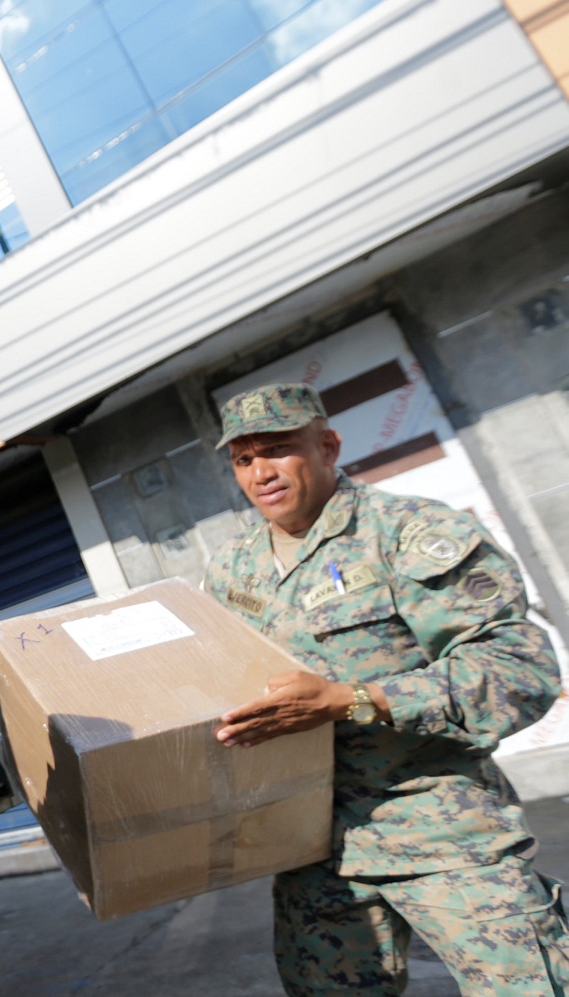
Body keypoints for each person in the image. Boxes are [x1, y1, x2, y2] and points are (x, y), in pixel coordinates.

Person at [203, 382, 567, 994]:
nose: (260, 472)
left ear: (327, 445)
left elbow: (520, 669)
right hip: (314, 854)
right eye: (243, 459)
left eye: (278, 449)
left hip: (443, 833)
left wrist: (354, 699)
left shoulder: (407, 533)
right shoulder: (232, 569)